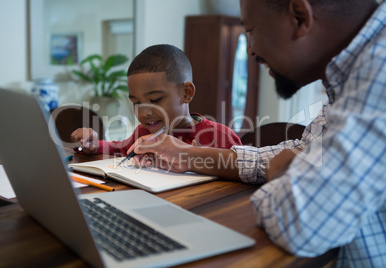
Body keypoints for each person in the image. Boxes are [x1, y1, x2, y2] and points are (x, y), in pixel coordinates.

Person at [128, 0, 386, 267]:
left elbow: (299, 223)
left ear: (299, 17)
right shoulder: (353, 79)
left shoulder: (380, 75)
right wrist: (187, 154)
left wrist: (282, 174)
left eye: (250, 31)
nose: (250, 50)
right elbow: (297, 152)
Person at [71, 44, 242, 156]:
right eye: (136, 102)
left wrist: (201, 158)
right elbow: (119, 148)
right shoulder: (143, 134)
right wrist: (94, 145)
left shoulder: (220, 137)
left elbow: (241, 172)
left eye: (155, 99)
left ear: (186, 93)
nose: (144, 112)